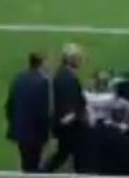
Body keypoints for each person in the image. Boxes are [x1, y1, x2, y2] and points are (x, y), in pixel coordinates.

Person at [42, 44, 87, 173]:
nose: (81, 60)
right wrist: (75, 116)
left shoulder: (64, 74)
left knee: (64, 154)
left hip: (66, 124)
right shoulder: (67, 78)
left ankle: (42, 172)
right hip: (69, 126)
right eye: (78, 57)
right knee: (71, 154)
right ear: (71, 59)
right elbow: (68, 103)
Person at [6, 52, 52, 173]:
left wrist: (13, 122)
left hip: (20, 128)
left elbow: (10, 104)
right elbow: (42, 111)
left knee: (25, 162)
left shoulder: (18, 78)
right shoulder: (43, 82)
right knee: (33, 164)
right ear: (41, 64)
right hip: (35, 132)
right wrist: (47, 132)